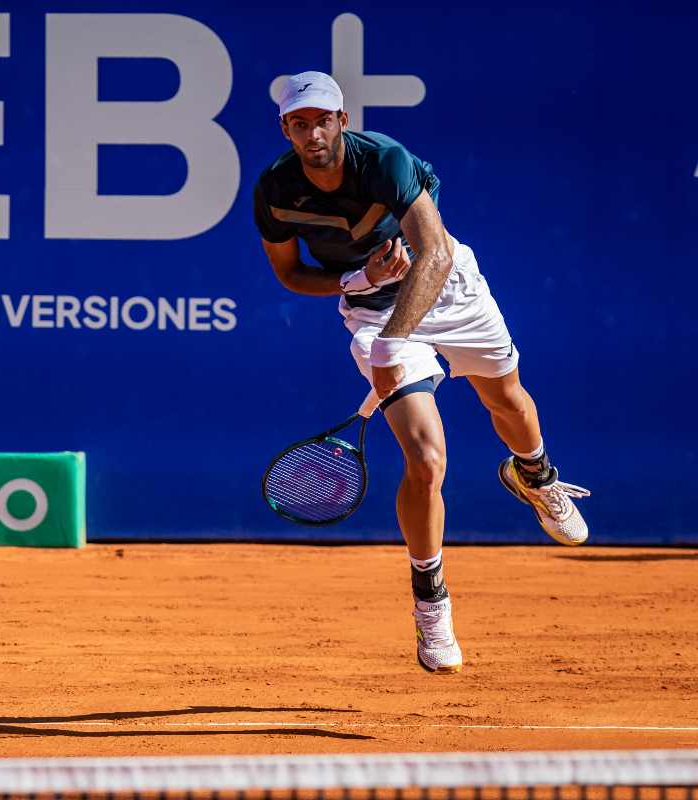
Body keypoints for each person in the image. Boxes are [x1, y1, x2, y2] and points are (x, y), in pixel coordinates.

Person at [253, 71, 591, 674]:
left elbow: (432, 252)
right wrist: (356, 283)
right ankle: (431, 605)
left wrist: (398, 338)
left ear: (342, 120)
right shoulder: (275, 190)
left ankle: (535, 476)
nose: (312, 134)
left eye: (322, 120)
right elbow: (289, 274)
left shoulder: (384, 160)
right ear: (286, 129)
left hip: (452, 292)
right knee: (427, 459)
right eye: (298, 124)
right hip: (372, 314)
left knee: (506, 400)